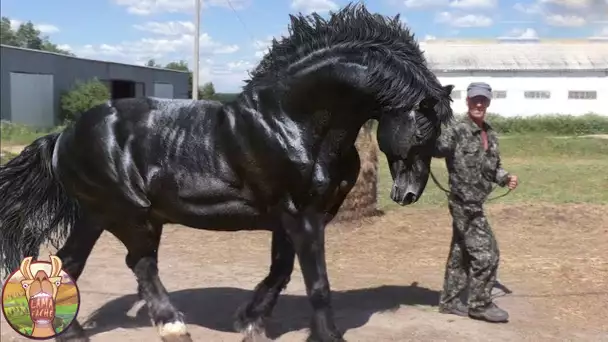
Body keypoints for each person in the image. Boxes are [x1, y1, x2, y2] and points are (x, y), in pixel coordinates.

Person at [433, 82, 518, 323]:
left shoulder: (490, 134)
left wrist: (506, 178)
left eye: (484, 100)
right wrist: (428, 122)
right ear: (467, 102)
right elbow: (436, 148)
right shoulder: (456, 130)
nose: (479, 104)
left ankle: (449, 302)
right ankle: (480, 304)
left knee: (461, 253)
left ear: (488, 102)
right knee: (487, 254)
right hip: (463, 204)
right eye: (475, 100)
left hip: (476, 203)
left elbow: (493, 167)